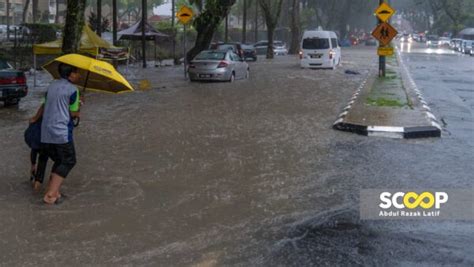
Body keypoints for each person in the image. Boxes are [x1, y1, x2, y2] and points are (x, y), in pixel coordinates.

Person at [40, 63, 81, 204]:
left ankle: (54, 191)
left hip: (45, 131)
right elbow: (73, 114)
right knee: (69, 160)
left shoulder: (51, 86)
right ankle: (50, 195)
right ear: (71, 75)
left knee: (59, 160)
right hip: (61, 132)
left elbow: (46, 105)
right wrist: (79, 106)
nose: (78, 75)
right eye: (76, 73)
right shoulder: (73, 90)